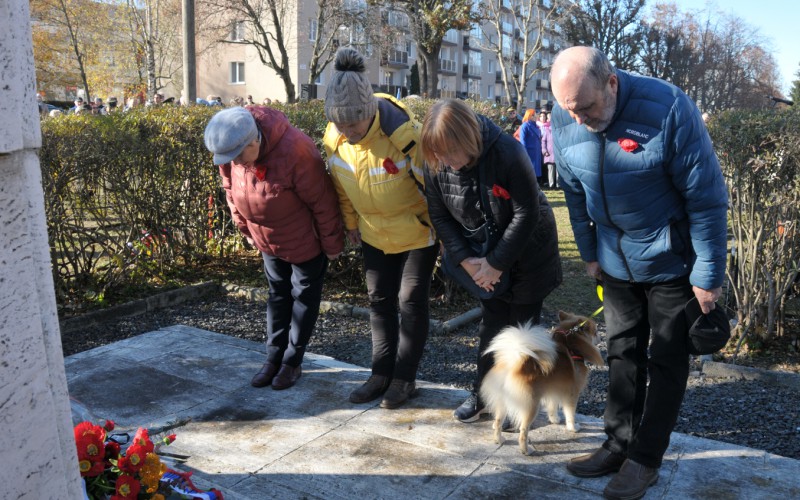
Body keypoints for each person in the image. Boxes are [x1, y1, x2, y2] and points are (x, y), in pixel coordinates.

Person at [549, 46, 728, 500]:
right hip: (614, 262)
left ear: (611, 83)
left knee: (666, 360)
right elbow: (572, 191)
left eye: (586, 108)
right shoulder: (568, 110)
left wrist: (707, 275)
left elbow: (706, 197)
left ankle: (645, 458)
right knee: (622, 354)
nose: (579, 120)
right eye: (570, 110)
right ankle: (618, 442)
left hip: (670, 264)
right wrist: (589, 251)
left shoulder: (668, 107)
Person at [419, 98, 562, 423]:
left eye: (449, 152)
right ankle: (483, 394)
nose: (443, 160)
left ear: (466, 140)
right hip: (479, 253)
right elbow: (439, 215)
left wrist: (496, 263)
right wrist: (469, 262)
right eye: (437, 154)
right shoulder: (437, 161)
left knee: (522, 330)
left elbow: (526, 213)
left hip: (529, 251)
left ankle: (521, 402)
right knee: (492, 324)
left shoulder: (508, 153)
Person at [322, 47, 438, 409]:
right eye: (340, 125)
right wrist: (352, 224)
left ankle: (404, 380)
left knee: (410, 302)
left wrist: (444, 234)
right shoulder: (335, 138)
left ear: (369, 113)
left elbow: (434, 189)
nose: (347, 132)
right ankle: (379, 374)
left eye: (353, 125)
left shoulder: (404, 136)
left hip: (417, 232)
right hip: (374, 232)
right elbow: (341, 186)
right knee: (379, 301)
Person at [204, 106, 344, 391]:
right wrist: (244, 228)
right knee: (277, 296)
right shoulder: (231, 150)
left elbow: (323, 200)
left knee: (303, 299)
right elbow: (230, 190)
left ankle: (292, 362)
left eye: (240, 156)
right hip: (266, 238)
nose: (236, 163)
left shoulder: (297, 149)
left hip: (304, 240)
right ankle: (273, 358)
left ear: (254, 142)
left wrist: (332, 243)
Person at [519, 109, 543, 185]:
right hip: (529, 153)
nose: (537, 116)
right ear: (531, 116)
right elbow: (523, 141)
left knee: (536, 172)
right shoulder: (525, 125)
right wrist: (524, 153)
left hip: (536, 153)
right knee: (529, 171)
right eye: (535, 114)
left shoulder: (536, 126)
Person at [538, 111, 557, 189]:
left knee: (558, 170)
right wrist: (544, 150)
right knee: (550, 169)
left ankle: (558, 184)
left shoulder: (557, 128)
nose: (549, 119)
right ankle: (550, 184)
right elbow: (543, 141)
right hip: (548, 152)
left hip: (557, 153)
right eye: (548, 118)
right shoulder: (546, 129)